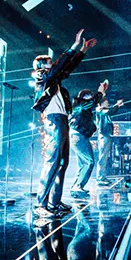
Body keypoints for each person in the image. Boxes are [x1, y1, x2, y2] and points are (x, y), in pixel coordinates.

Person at [32, 29, 96, 216]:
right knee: (52, 161)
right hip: (54, 120)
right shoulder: (42, 77)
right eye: (49, 62)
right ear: (41, 66)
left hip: (62, 120)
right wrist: (74, 46)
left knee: (62, 163)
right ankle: (41, 205)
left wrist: (82, 51)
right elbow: (59, 66)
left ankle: (54, 202)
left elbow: (67, 67)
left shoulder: (54, 79)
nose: (52, 63)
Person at [68, 81, 109, 199]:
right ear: (84, 97)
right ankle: (77, 186)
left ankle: (76, 186)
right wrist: (100, 92)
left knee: (82, 163)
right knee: (89, 162)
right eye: (89, 96)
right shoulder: (79, 105)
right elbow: (92, 102)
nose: (91, 99)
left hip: (79, 136)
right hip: (78, 136)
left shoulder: (81, 108)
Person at [92, 94, 124, 187]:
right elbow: (110, 111)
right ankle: (100, 178)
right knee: (102, 157)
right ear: (102, 103)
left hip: (106, 135)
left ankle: (102, 176)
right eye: (107, 102)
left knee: (105, 157)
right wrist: (117, 105)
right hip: (103, 136)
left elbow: (110, 111)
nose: (108, 104)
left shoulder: (103, 111)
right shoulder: (100, 110)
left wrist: (117, 106)